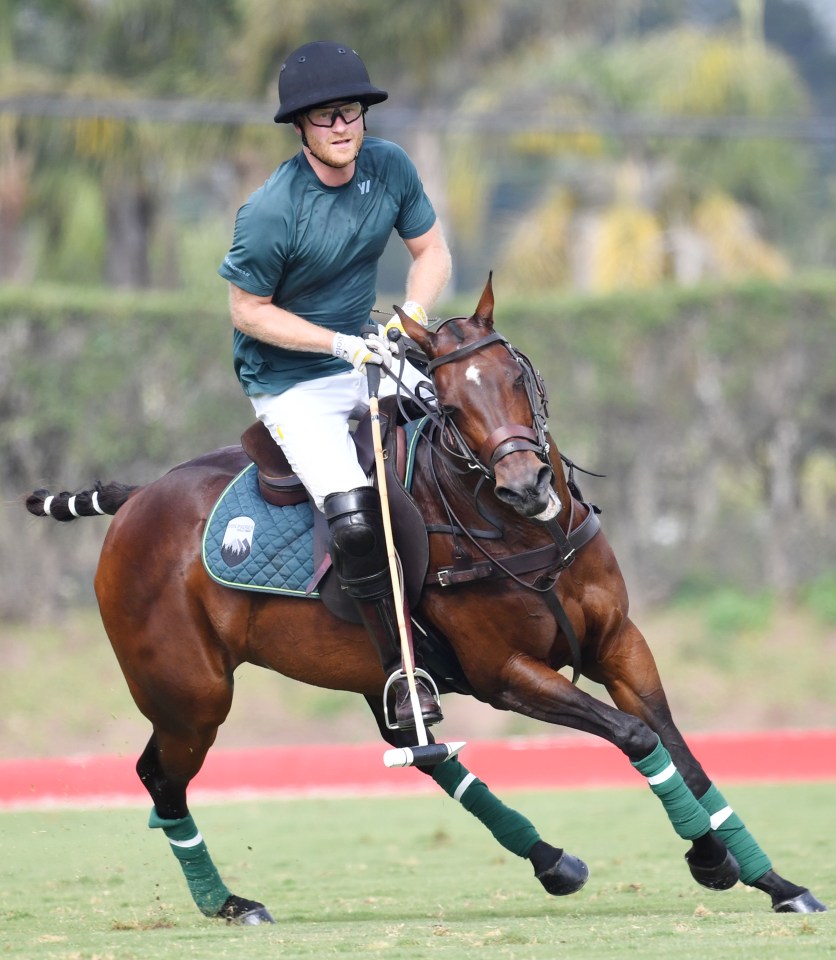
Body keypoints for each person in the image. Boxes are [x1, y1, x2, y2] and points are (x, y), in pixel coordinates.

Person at [218, 41, 451, 730]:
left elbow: (431, 251)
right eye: (325, 118)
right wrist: (335, 342)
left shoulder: (391, 168)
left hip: (370, 350)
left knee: (473, 435)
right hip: (289, 381)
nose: (342, 127)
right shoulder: (269, 212)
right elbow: (246, 311)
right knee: (354, 517)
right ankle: (401, 673)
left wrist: (410, 317)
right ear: (301, 128)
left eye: (349, 112)